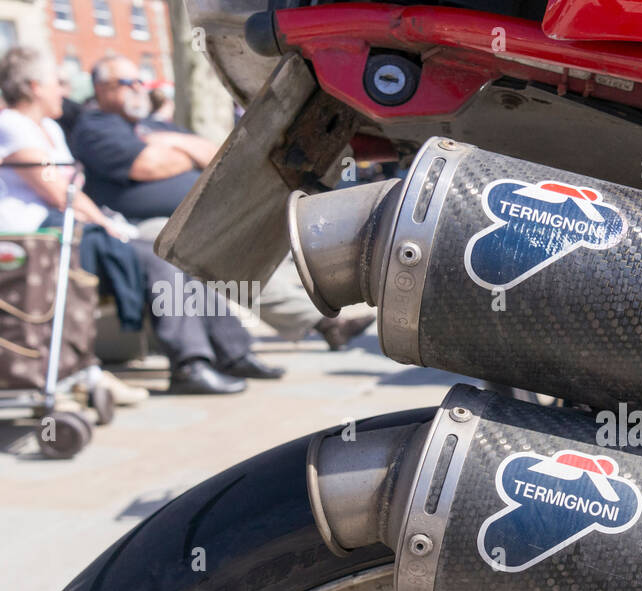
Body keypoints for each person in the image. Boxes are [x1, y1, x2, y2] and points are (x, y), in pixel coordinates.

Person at [74, 57, 372, 358]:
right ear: (101, 88)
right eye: (128, 83)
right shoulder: (95, 125)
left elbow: (212, 157)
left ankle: (319, 323)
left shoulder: (152, 125)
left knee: (245, 251)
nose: (139, 89)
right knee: (215, 256)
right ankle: (296, 331)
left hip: (192, 218)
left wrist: (171, 143)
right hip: (137, 225)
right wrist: (179, 152)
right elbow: (148, 165)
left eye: (141, 81)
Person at [0, 46, 148, 406]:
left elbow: (67, 189)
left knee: (116, 252)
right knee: (102, 250)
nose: (63, 91)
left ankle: (79, 370)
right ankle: (57, 374)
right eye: (57, 83)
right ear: (35, 86)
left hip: (59, 230)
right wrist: (104, 222)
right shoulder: (10, 125)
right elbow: (56, 187)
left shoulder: (49, 128)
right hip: (30, 236)